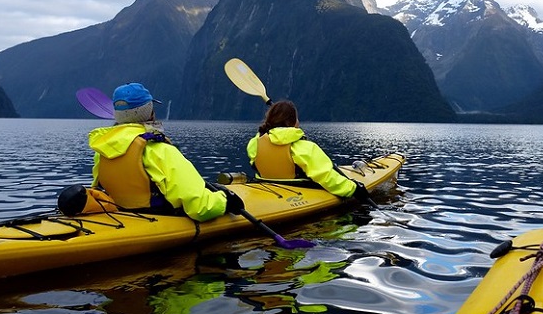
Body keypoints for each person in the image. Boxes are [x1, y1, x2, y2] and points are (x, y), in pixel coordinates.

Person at [88, 82, 240, 221]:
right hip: (158, 218)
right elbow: (200, 208)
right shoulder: (159, 150)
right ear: (150, 111)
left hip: (119, 216)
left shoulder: (102, 151)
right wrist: (225, 199)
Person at [246, 100, 370, 200]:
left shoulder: (255, 144)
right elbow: (326, 176)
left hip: (267, 187)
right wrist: (353, 189)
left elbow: (255, 162)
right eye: (297, 118)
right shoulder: (304, 148)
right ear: (293, 122)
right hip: (300, 190)